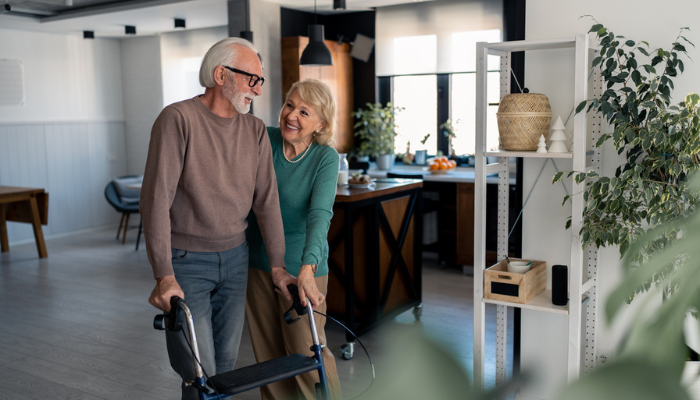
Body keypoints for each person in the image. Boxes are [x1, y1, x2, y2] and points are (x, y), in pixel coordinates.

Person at [140, 37, 296, 400]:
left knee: (226, 369)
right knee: (199, 371)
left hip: (236, 258)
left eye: (261, 80)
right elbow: (155, 201)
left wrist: (277, 266)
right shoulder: (178, 119)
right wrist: (163, 275)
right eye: (251, 79)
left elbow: (267, 202)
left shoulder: (254, 130)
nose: (257, 90)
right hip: (186, 263)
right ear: (220, 74)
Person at [246, 79, 343, 400]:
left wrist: (308, 266)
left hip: (304, 269)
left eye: (305, 111)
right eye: (290, 104)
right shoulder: (264, 139)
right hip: (258, 262)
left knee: (308, 354)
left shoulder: (325, 158)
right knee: (269, 357)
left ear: (321, 124)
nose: (292, 115)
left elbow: (320, 214)